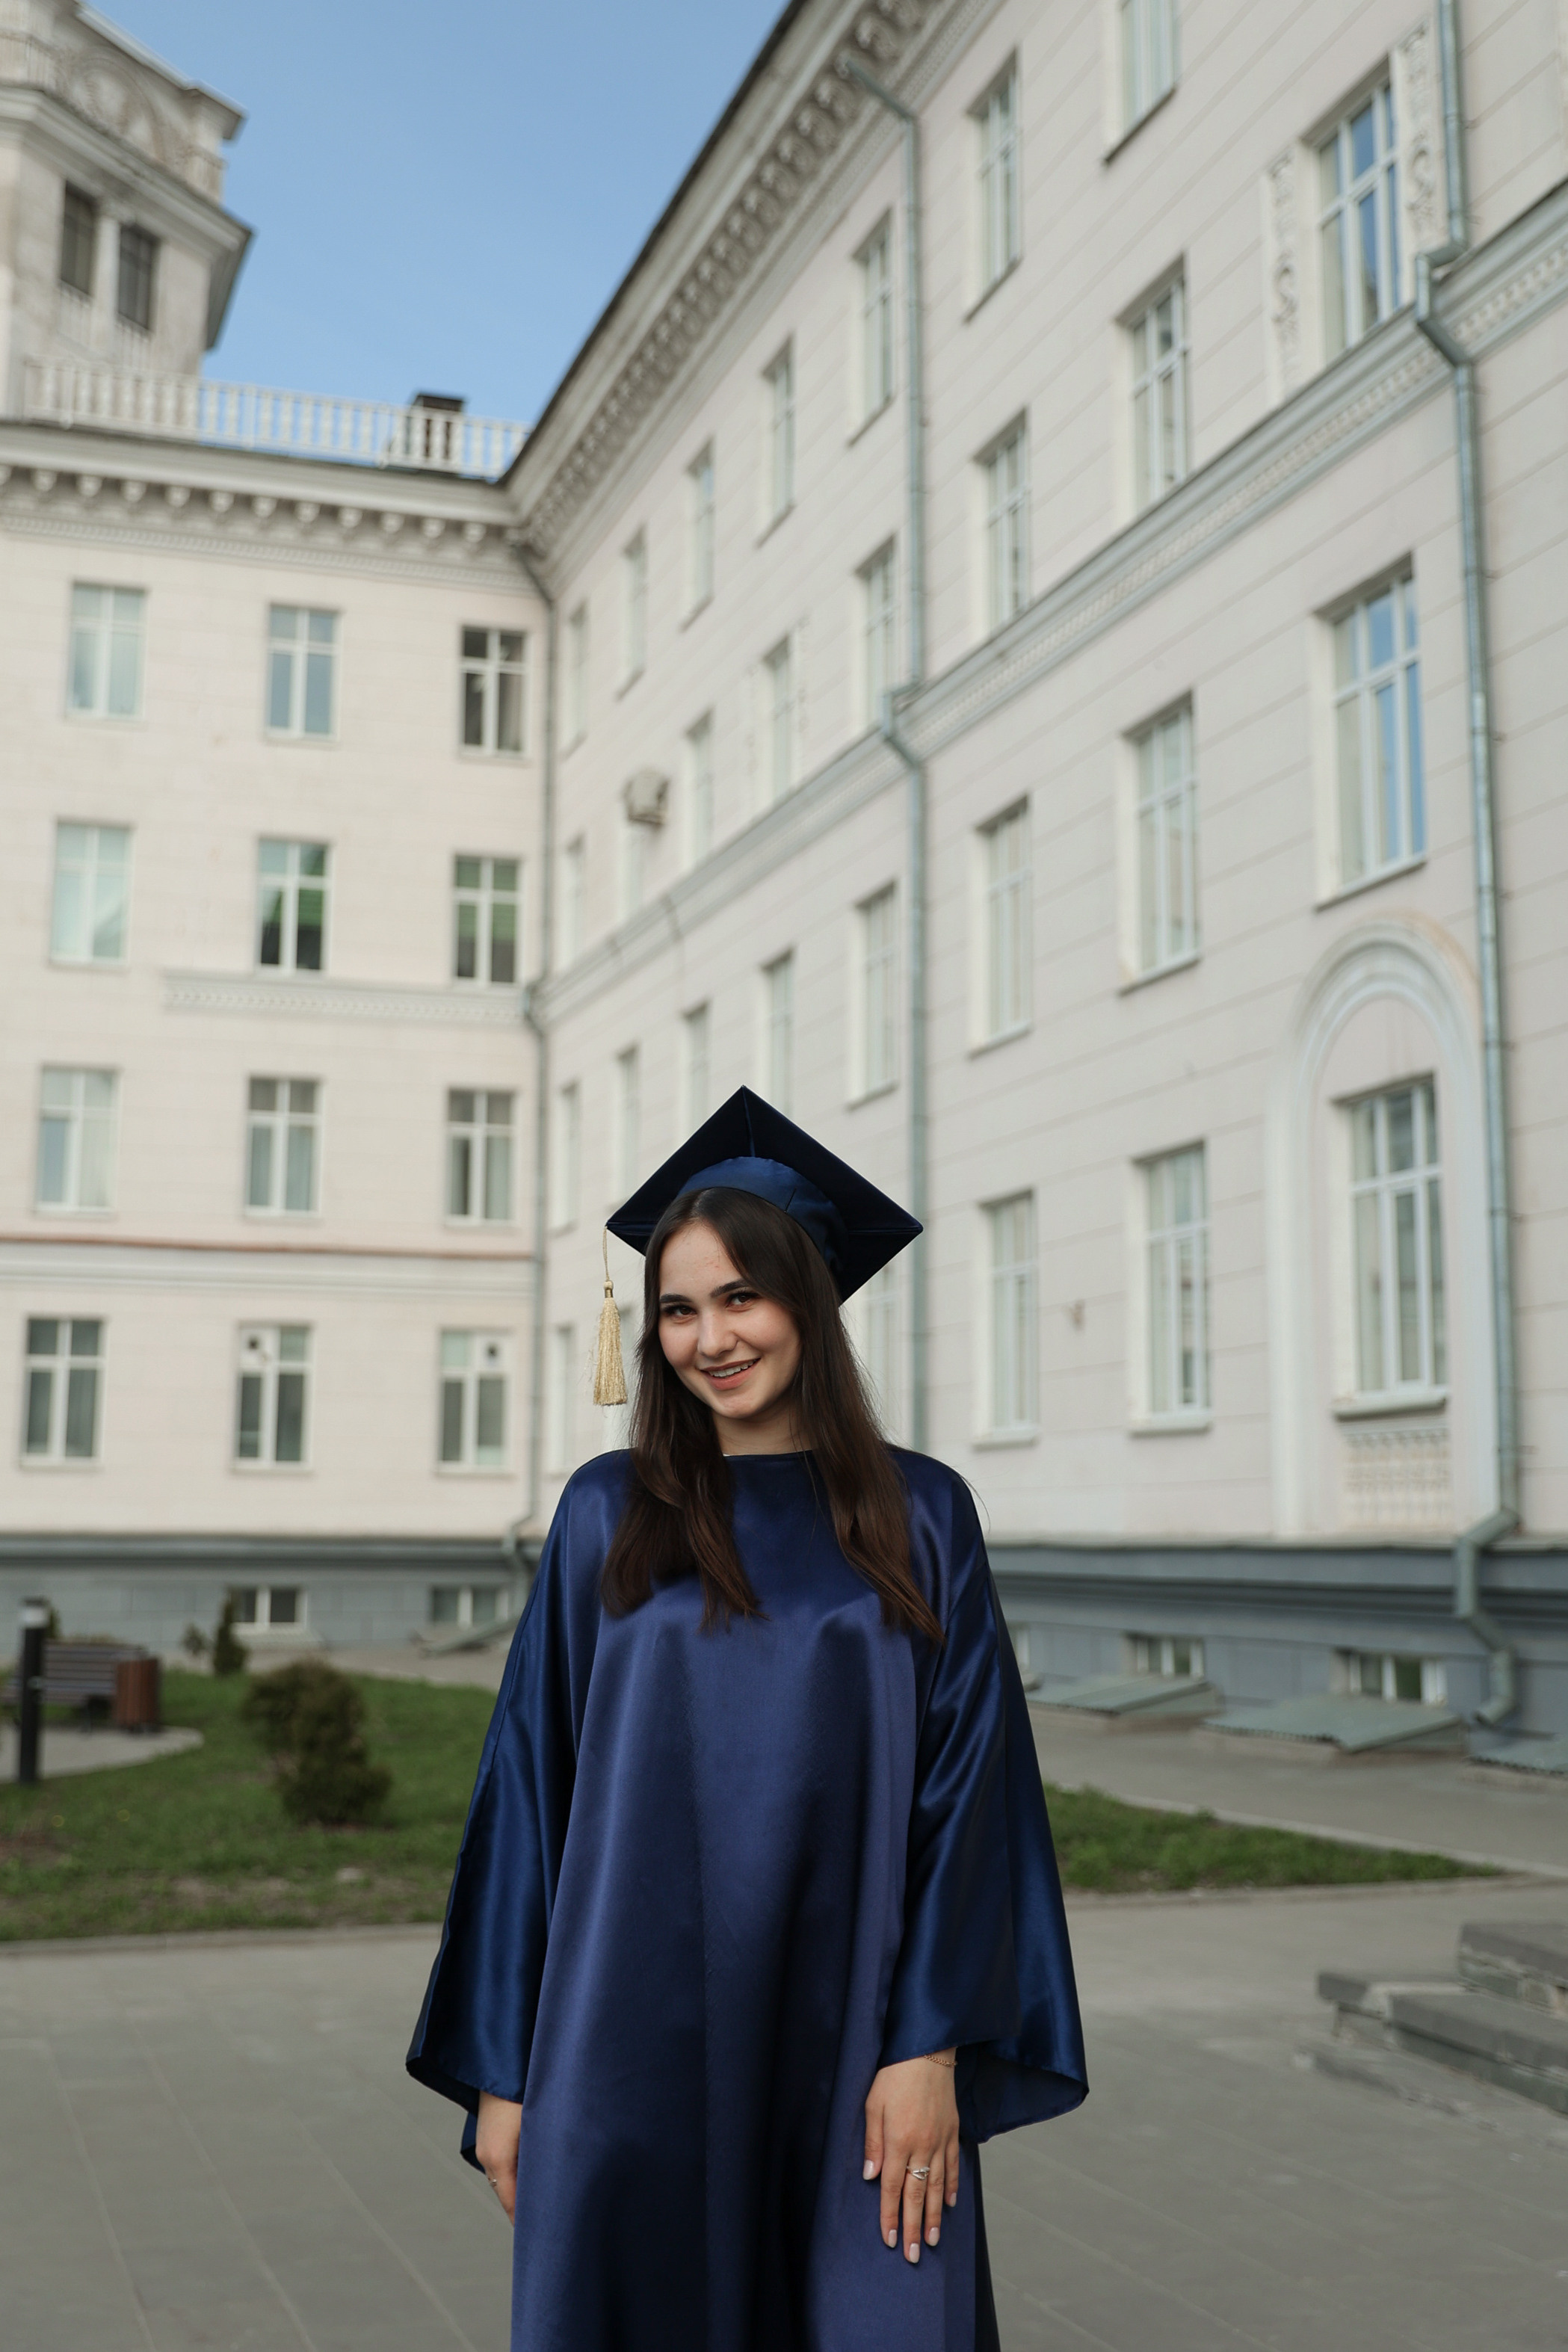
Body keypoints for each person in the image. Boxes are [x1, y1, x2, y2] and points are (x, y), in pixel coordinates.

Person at [407, 1087, 1087, 2350]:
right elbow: (529, 1791)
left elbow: (971, 1802)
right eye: (677, 1309)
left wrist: (929, 2049)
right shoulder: (607, 1514)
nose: (709, 1339)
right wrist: (502, 2072)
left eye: (741, 1298)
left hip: (859, 2042)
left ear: (809, 1304)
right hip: (624, 2040)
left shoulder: (921, 1516)